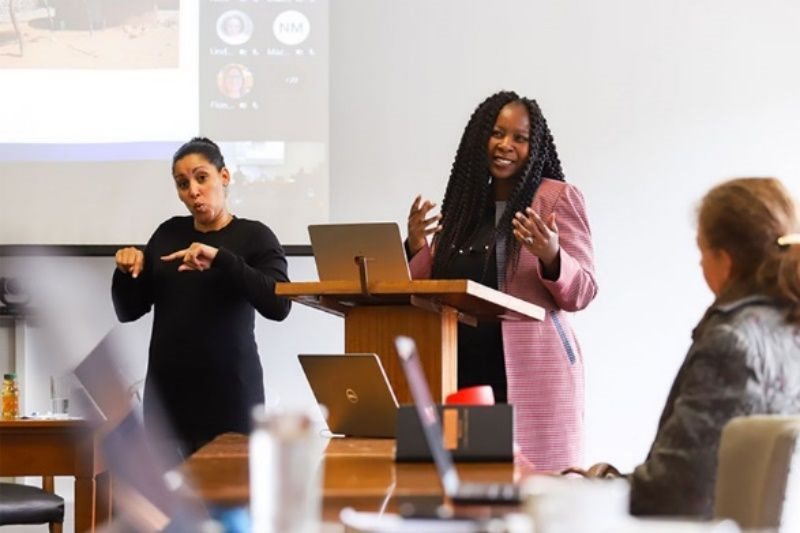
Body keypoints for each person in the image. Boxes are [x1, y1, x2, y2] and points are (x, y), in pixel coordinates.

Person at [566, 177, 800, 518]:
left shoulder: (730, 343)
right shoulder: (789, 328)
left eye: (702, 251)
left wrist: (584, 488)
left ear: (726, 259)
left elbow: (673, 495)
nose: (700, 265)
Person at [406, 90, 598, 472]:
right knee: (469, 490)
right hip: (460, 372)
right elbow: (431, 289)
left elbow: (584, 291)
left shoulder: (557, 199)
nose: (506, 145)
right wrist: (416, 246)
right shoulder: (463, 207)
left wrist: (551, 255)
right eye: (497, 133)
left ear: (534, 145)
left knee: (532, 497)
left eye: (520, 137)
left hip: (528, 375)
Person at [112, 137, 291, 461]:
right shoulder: (168, 233)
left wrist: (221, 259)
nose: (193, 191)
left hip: (232, 400)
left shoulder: (255, 236)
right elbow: (129, 310)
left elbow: (279, 305)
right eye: (183, 183)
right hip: (168, 402)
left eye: (201, 177)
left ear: (224, 177)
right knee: (170, 509)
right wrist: (126, 270)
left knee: (231, 506)